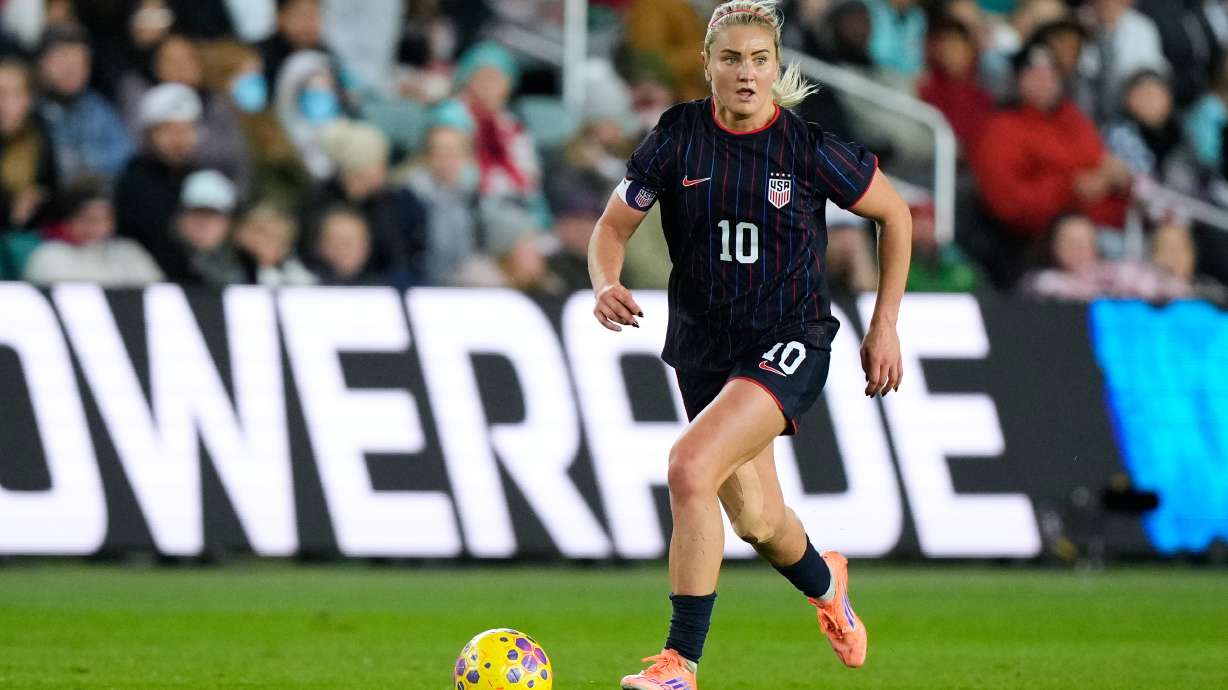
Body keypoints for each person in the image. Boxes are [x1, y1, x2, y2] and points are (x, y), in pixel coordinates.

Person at [588, 2, 912, 687]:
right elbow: (610, 229)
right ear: (706, 65)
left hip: (789, 339)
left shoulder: (806, 148)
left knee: (689, 467)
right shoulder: (677, 138)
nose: (745, 72)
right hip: (705, 348)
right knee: (759, 520)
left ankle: (680, 662)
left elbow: (895, 213)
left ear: (776, 66)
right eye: (730, 58)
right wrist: (604, 282)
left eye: (758, 59)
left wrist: (884, 324)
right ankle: (830, 590)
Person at [36, 24, 135, 186]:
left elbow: (125, 157)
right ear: (42, 64)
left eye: (80, 62)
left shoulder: (97, 108)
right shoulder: (27, 108)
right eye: (62, 59)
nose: (71, 70)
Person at [22, 177, 164, 285]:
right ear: (68, 221)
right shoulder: (48, 256)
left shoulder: (129, 253)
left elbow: (158, 292)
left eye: (104, 219)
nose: (97, 227)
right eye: (88, 219)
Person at [0, 59, 57, 231]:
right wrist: (10, 212)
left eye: (13, 94)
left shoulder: (40, 132)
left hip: (30, 233)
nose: (3, 104)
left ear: (27, 98)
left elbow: (51, 189)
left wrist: (34, 201)